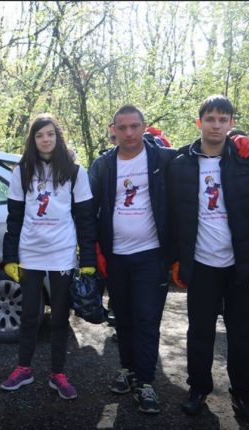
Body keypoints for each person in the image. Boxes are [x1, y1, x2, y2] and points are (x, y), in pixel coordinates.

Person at [168, 95, 249, 422]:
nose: (216, 125)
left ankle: (242, 392)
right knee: (200, 331)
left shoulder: (246, 161)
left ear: (231, 124)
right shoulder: (181, 165)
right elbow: (173, 217)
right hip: (202, 264)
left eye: (222, 119)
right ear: (199, 122)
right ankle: (198, 388)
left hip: (241, 265)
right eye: (210, 119)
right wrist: (176, 259)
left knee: (243, 333)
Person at [0, 114, 96, 399]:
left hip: (62, 254)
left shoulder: (75, 171)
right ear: (33, 139)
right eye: (40, 135)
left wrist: (88, 259)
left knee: (60, 317)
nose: (45, 139)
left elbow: (85, 219)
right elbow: (14, 217)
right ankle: (23, 368)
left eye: (50, 134)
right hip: (30, 253)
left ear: (58, 137)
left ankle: (58, 374)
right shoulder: (21, 171)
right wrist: (10, 256)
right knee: (30, 315)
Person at [89, 105, 177, 414]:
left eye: (134, 126)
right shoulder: (103, 165)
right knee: (123, 318)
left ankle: (146, 382)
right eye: (122, 127)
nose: (128, 133)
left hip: (152, 255)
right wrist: (94, 250)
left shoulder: (164, 159)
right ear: (113, 130)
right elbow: (87, 208)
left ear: (144, 126)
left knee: (147, 319)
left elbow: (202, 154)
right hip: (116, 257)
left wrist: (235, 142)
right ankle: (127, 369)